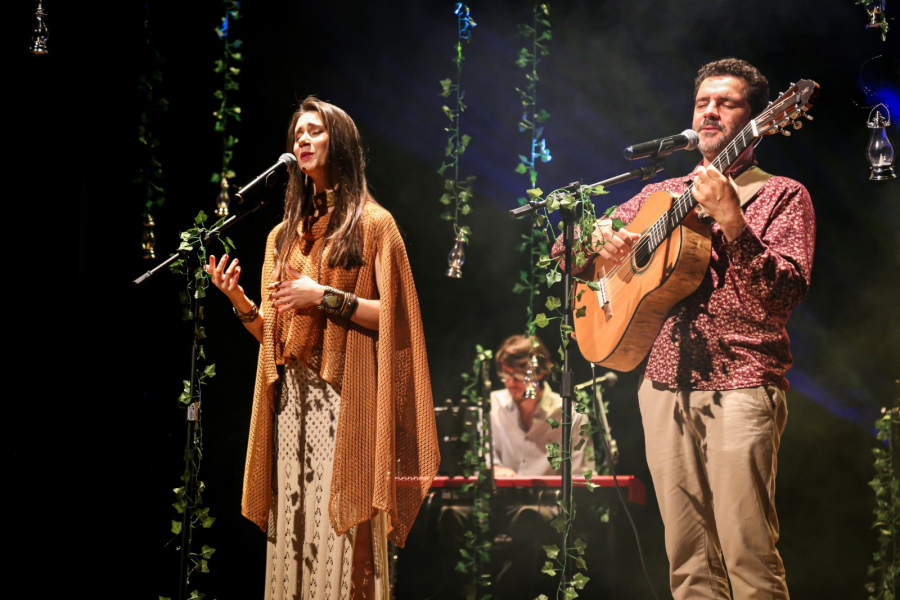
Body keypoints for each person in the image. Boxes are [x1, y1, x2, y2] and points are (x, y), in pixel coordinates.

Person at [555, 58, 815, 599]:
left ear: (758, 117)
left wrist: (733, 220)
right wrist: (595, 237)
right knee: (686, 561)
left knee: (749, 553)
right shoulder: (665, 193)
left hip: (742, 383)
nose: (711, 111)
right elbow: (565, 250)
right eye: (703, 103)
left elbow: (782, 293)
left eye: (727, 103)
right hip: (662, 384)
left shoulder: (782, 194)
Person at [206, 96, 439, 599]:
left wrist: (323, 296)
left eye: (314, 131)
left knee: (339, 527)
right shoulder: (281, 236)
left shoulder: (375, 224)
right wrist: (240, 301)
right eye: (297, 135)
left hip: (346, 400)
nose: (303, 141)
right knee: (295, 527)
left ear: (341, 142)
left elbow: (398, 319)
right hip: (292, 403)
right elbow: (273, 332)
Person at [435, 334, 595, 599]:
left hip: (546, 508)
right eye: (505, 375)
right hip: (496, 503)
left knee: (529, 517)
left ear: (541, 372)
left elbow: (581, 479)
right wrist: (492, 469)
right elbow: (483, 460)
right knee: (451, 513)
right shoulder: (491, 407)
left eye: (518, 377)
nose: (510, 383)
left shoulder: (572, 416)